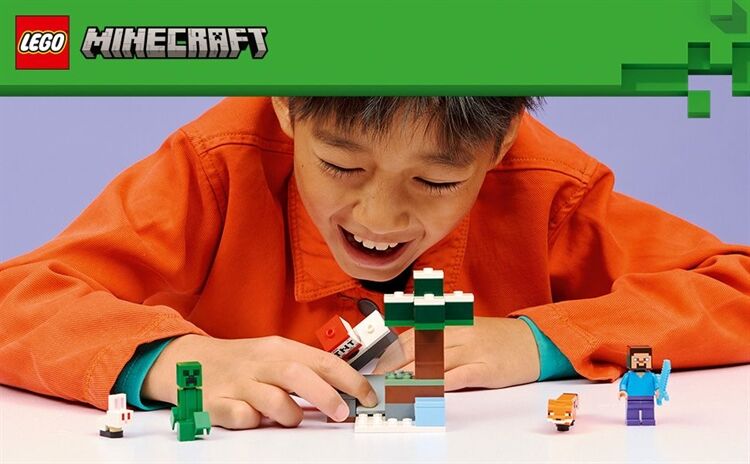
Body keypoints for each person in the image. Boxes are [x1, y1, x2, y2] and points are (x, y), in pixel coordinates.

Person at [0, 97, 747, 430]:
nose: (380, 220)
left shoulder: (548, 186)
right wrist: (174, 360)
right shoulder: (215, 164)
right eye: (341, 165)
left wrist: (536, 341)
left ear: (500, 144)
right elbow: (18, 297)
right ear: (287, 106)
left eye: (437, 180)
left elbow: (733, 285)